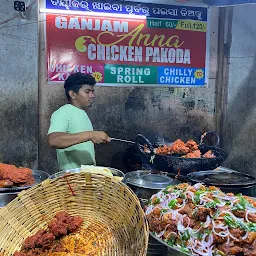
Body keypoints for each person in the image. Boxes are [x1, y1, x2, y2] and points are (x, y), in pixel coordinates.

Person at [47, 72, 111, 171]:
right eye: (87, 92)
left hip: (85, 177)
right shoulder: (63, 112)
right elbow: (53, 140)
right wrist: (90, 135)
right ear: (72, 94)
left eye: (93, 91)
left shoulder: (82, 113)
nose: (92, 95)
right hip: (72, 179)